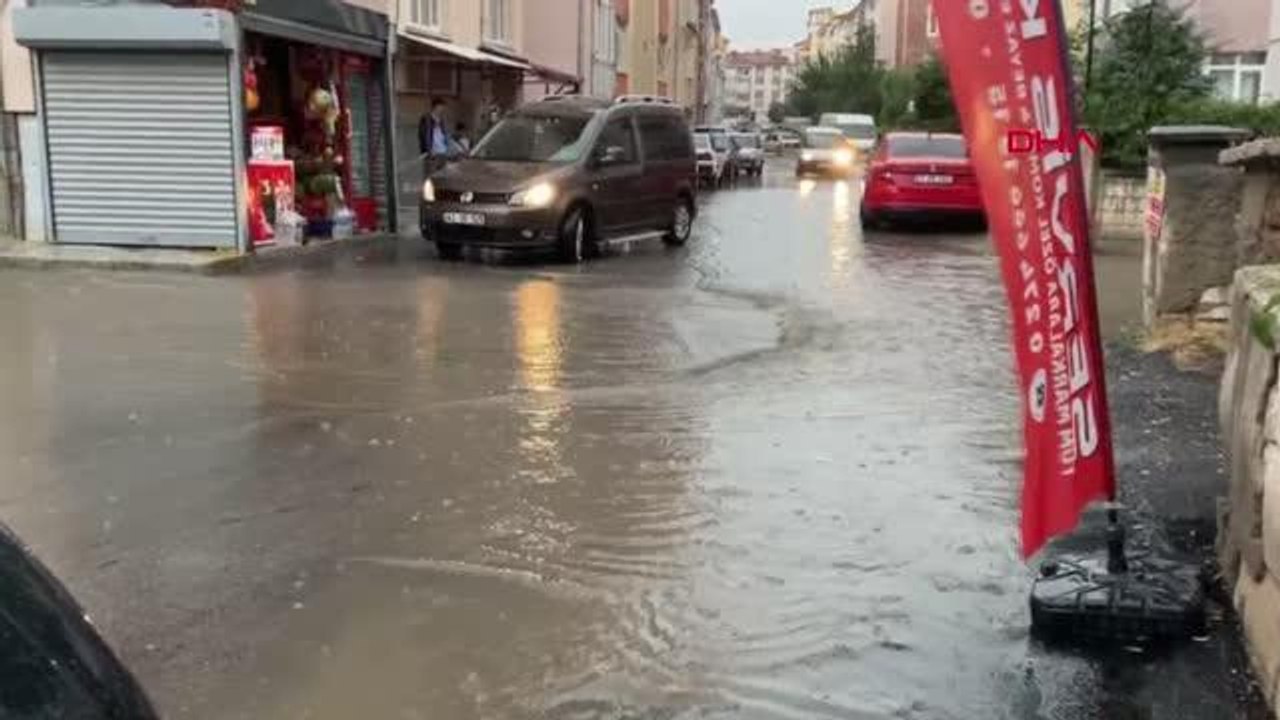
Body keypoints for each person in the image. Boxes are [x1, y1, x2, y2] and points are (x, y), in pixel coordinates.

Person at [419, 98, 451, 172]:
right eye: (440, 108)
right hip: (432, 152)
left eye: (443, 108)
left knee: (442, 174)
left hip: (443, 151)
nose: (441, 110)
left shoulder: (442, 120)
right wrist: (428, 150)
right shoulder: (426, 119)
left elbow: (444, 134)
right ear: (435, 107)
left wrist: (447, 147)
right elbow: (423, 135)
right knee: (430, 174)